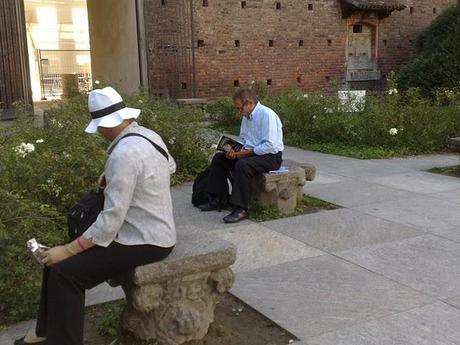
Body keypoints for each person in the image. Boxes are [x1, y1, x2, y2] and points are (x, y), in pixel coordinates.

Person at [15, 86, 177, 345]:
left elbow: (109, 223)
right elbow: (171, 165)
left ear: (106, 124)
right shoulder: (148, 135)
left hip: (144, 240)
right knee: (54, 265)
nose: (99, 133)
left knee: (66, 274)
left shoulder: (123, 154)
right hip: (156, 229)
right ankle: (43, 332)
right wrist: (128, 182)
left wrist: (68, 250)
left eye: (98, 126)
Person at [198, 88, 284, 223]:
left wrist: (245, 154)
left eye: (240, 109)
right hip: (252, 153)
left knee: (242, 165)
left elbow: (270, 145)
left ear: (249, 103)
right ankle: (219, 199)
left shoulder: (267, 115)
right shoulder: (246, 117)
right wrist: (234, 150)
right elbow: (244, 140)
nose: (239, 112)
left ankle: (242, 208)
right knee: (219, 159)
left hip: (270, 157)